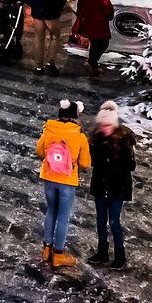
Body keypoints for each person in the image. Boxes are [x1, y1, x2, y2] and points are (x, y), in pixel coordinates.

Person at [36, 98, 91, 268]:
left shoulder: (49, 130)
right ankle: (58, 254)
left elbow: (39, 152)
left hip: (49, 177)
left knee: (51, 211)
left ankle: (46, 249)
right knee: (63, 217)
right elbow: (85, 163)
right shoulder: (80, 136)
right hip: (67, 180)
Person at [87, 100, 135, 269]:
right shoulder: (96, 139)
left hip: (117, 188)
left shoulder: (124, 140)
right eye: (101, 125)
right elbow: (92, 161)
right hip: (100, 185)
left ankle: (120, 255)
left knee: (114, 221)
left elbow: (131, 166)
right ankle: (102, 252)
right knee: (101, 221)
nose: (103, 128)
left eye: (106, 125)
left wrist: (115, 159)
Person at [25, 0, 67, 76]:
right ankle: (50, 63)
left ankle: (38, 66)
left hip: (37, 12)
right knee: (56, 36)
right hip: (51, 13)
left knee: (39, 38)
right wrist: (58, 8)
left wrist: (34, 4)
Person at [72, 0, 115, 76]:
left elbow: (80, 5)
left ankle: (93, 66)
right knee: (103, 43)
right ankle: (91, 62)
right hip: (98, 23)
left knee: (95, 43)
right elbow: (107, 8)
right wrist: (109, 15)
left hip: (87, 21)